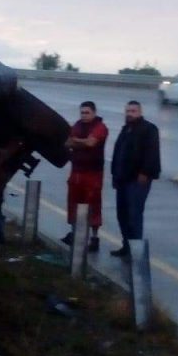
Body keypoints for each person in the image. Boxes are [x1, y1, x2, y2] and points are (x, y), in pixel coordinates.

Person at [110, 100, 161, 257]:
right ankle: (127, 246)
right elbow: (118, 153)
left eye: (133, 111)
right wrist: (114, 175)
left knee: (134, 215)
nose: (129, 114)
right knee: (122, 214)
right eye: (127, 111)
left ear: (140, 112)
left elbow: (151, 153)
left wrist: (145, 173)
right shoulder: (126, 130)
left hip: (138, 180)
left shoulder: (148, 129)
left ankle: (136, 253)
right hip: (122, 179)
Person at [61, 101, 109, 252]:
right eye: (82, 112)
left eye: (87, 113)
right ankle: (75, 232)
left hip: (93, 173)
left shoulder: (100, 127)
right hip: (77, 171)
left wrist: (77, 142)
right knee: (74, 202)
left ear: (94, 113)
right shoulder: (77, 125)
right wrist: (81, 142)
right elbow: (67, 143)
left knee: (93, 204)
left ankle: (94, 238)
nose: (84, 115)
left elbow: (91, 143)